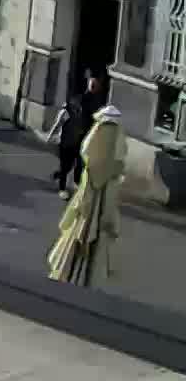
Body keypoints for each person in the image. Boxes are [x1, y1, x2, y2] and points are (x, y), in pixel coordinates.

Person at [48, 104, 126, 287]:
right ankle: (87, 275)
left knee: (82, 225)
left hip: (91, 189)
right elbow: (119, 159)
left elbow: (87, 152)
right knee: (98, 228)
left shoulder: (98, 131)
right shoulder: (118, 135)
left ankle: (70, 270)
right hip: (104, 193)